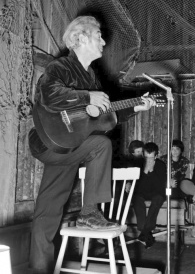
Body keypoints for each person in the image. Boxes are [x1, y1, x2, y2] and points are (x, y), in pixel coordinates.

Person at [28, 16, 155, 274]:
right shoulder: (62, 66)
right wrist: (86, 97)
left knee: (46, 215)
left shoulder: (93, 78)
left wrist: (135, 108)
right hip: (48, 141)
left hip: (70, 148)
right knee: (100, 145)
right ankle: (88, 212)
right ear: (81, 38)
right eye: (98, 35)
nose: (104, 40)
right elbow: (49, 94)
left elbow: (104, 118)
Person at [132, 142, 167, 249]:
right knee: (136, 198)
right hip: (142, 193)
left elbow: (160, 187)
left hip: (156, 193)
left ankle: (143, 232)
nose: (149, 160)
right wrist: (145, 171)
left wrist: (151, 172)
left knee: (158, 198)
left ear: (156, 156)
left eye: (151, 158)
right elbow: (138, 187)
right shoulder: (139, 164)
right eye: (146, 157)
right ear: (143, 155)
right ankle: (145, 231)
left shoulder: (161, 165)